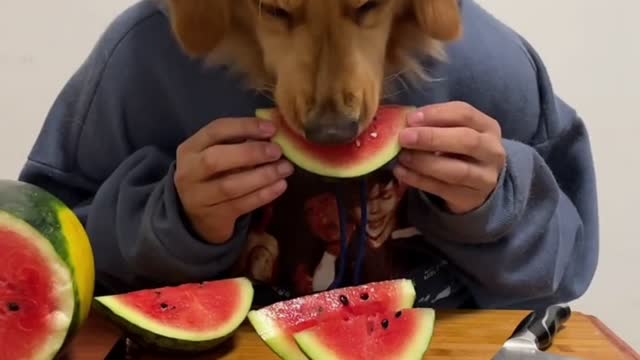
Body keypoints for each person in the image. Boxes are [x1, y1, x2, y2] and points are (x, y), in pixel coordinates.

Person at [19, 0, 599, 311]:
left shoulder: (485, 67)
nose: (331, 112)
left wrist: (496, 206)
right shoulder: (143, 62)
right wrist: (171, 221)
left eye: (366, 5)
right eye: (278, 10)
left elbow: (566, 271)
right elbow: (41, 260)